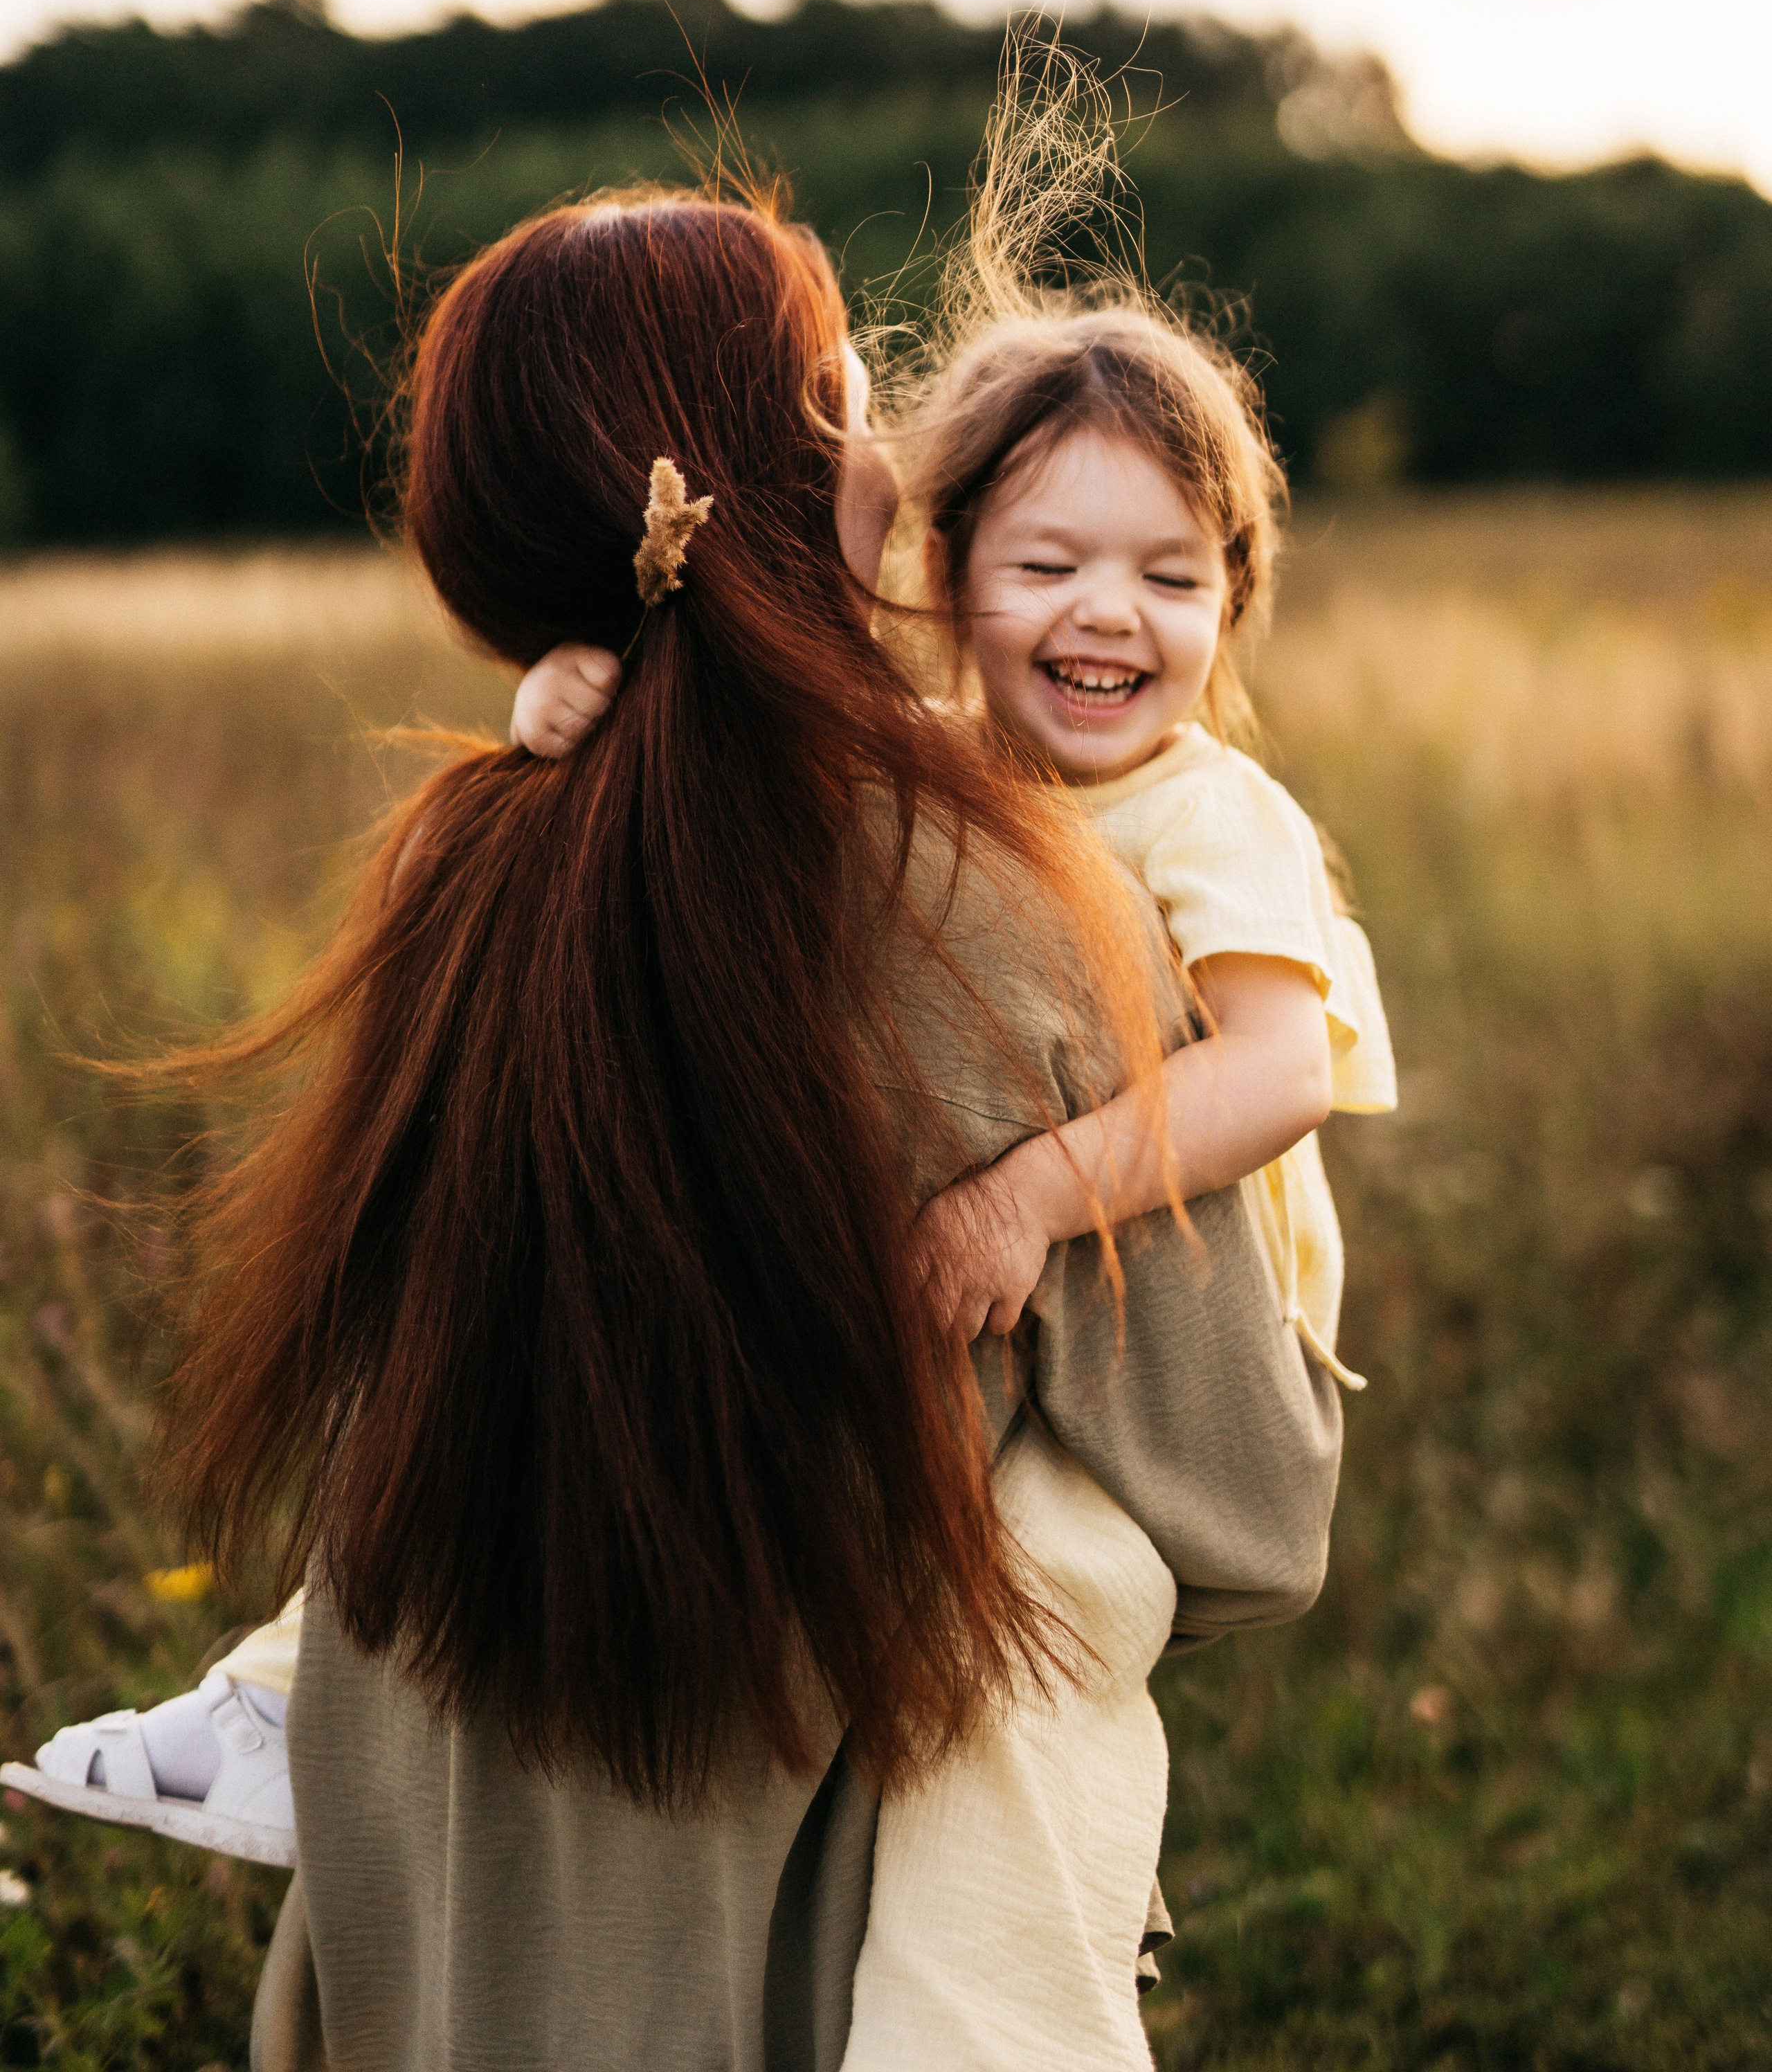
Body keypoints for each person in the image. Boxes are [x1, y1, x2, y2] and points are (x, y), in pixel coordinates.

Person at [14, 179, 1343, 2072]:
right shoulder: (992, 910)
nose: (888, 431)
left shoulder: (471, 849)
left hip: (431, 1890)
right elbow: (1260, 1512)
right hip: (732, 1920)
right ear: (763, 463)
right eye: (845, 388)